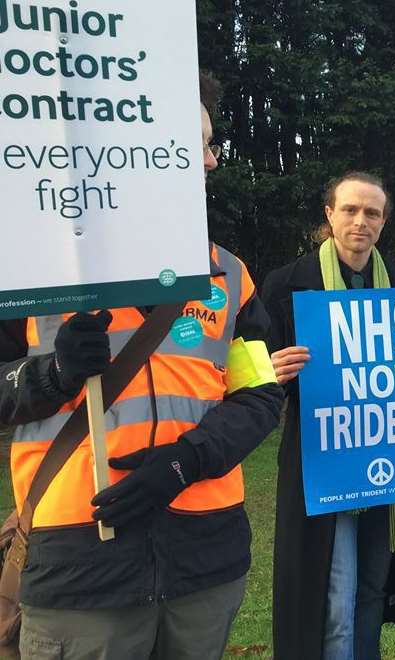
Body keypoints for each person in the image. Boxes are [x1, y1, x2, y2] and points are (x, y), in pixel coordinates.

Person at [0, 73, 283, 659]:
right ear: (134, 150)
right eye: (197, 144)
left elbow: (260, 394)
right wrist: (50, 375)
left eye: (212, 144)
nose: (211, 162)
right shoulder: (34, 267)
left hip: (205, 563)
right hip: (80, 570)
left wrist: (185, 462)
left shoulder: (229, 274)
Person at [262, 171, 395, 660]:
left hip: (392, 469)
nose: (360, 220)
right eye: (350, 209)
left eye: (372, 212)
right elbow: (248, 373)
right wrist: (268, 370)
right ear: (329, 215)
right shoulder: (288, 284)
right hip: (325, 467)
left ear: (384, 222)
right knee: (334, 592)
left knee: (373, 587)